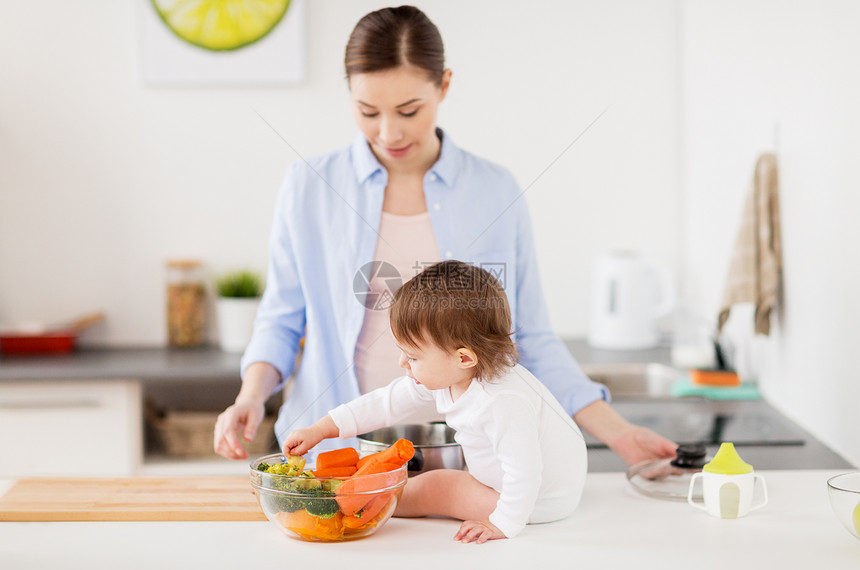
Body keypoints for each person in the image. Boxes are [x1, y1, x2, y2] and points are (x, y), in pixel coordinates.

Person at [213, 5, 676, 466]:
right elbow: (281, 319)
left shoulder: (495, 191)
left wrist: (619, 434)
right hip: (332, 453)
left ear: (444, 86)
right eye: (367, 111)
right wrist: (250, 396)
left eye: (408, 110)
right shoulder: (308, 185)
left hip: (467, 456)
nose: (388, 132)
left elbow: (528, 337)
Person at [284, 261, 587, 543]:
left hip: (540, 499)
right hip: (520, 486)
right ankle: (358, 501)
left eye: (413, 356)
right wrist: (321, 429)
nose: (402, 362)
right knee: (430, 484)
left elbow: (525, 471)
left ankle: (353, 508)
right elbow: (385, 403)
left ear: (464, 357)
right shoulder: (454, 374)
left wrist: (503, 523)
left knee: (436, 488)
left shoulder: (503, 401)